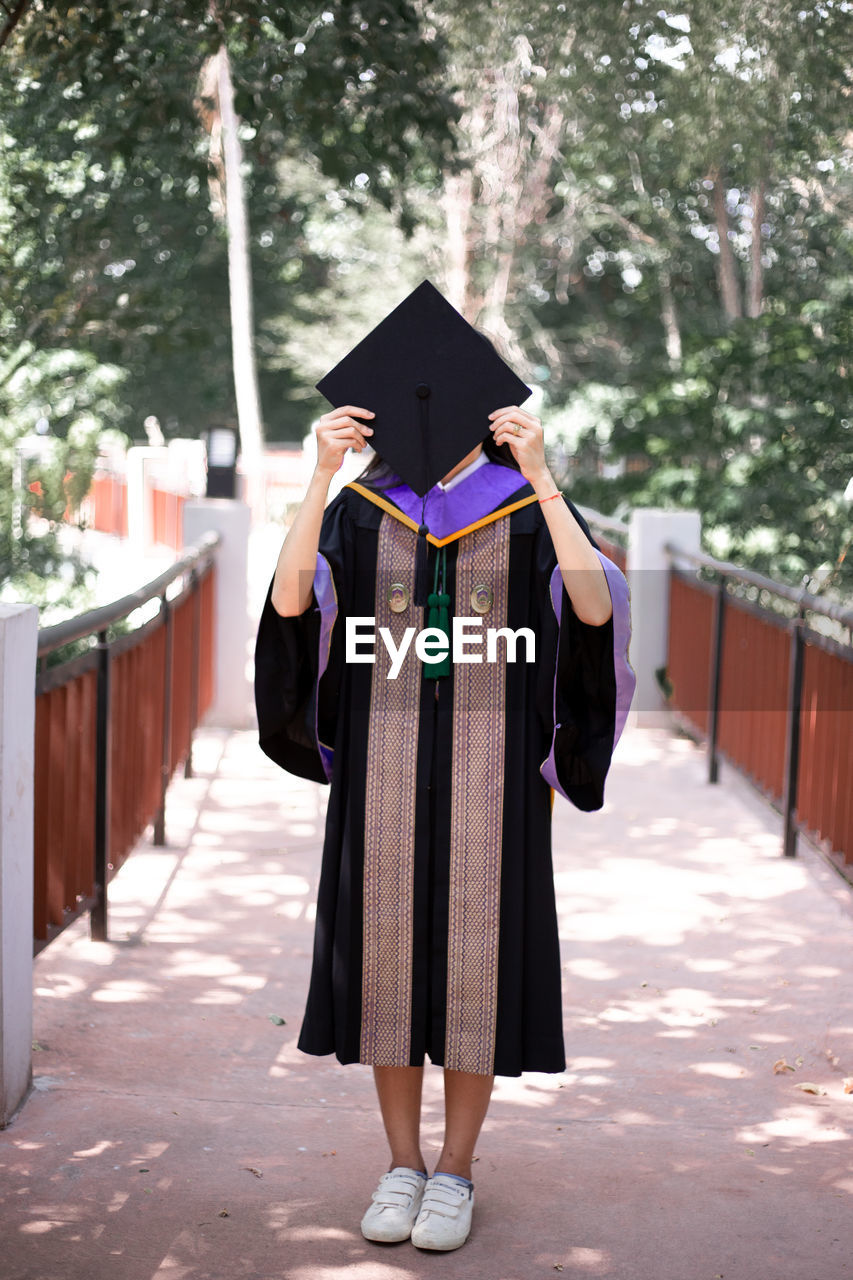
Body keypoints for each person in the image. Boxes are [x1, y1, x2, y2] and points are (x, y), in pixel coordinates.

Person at [254, 284, 635, 1253]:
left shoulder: (522, 507)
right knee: (386, 965)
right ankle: (400, 1163)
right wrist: (317, 478)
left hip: (491, 774)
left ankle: (455, 1170)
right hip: (382, 767)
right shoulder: (361, 509)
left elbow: (592, 612)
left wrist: (543, 477)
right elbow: (294, 601)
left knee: (474, 968)